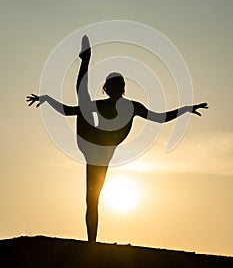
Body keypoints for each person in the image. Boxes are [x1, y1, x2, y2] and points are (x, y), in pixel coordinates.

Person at [26, 35, 208, 242]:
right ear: (109, 89)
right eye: (112, 87)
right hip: (90, 140)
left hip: (102, 152)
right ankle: (85, 60)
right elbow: (70, 110)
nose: (114, 90)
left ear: (120, 88)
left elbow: (161, 117)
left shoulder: (132, 107)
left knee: (92, 199)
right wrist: (47, 99)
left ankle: (91, 243)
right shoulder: (104, 104)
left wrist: (186, 109)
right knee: (84, 101)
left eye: (117, 87)